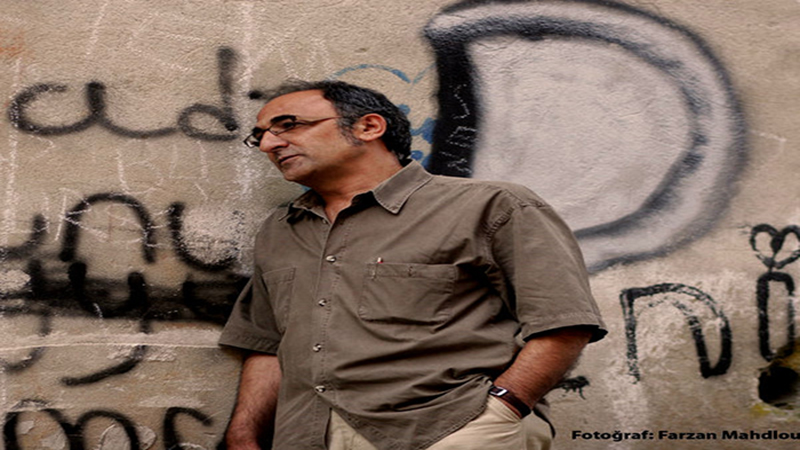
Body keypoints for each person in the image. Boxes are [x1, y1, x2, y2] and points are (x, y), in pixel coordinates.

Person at [218, 79, 606, 450]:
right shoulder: (281, 230)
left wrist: (503, 408)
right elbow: (267, 344)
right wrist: (242, 437)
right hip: (306, 436)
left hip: (446, 430)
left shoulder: (490, 207)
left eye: (289, 125)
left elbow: (564, 322)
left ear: (369, 127)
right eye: (260, 135)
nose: (269, 143)